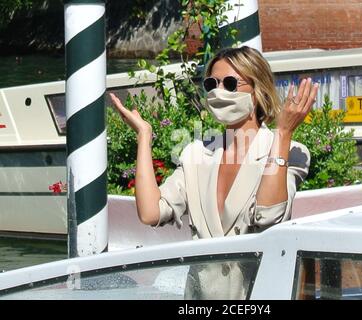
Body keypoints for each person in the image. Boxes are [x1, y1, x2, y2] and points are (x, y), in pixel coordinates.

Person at [109, 46, 319, 299]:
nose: (219, 91)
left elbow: (269, 215)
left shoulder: (291, 151)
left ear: (257, 89)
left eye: (230, 83)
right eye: (211, 83)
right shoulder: (196, 152)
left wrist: (283, 134)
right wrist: (144, 136)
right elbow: (151, 212)